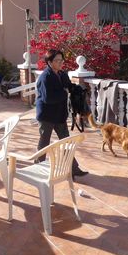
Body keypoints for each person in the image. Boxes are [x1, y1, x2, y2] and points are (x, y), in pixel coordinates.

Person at [35, 49, 88, 177]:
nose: (60, 63)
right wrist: (64, 93)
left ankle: (73, 169)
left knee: (66, 142)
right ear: (49, 62)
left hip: (59, 114)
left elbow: (68, 86)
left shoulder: (62, 74)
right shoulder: (45, 77)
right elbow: (48, 98)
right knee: (44, 143)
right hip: (46, 116)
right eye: (57, 60)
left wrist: (75, 89)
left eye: (61, 60)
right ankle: (37, 167)